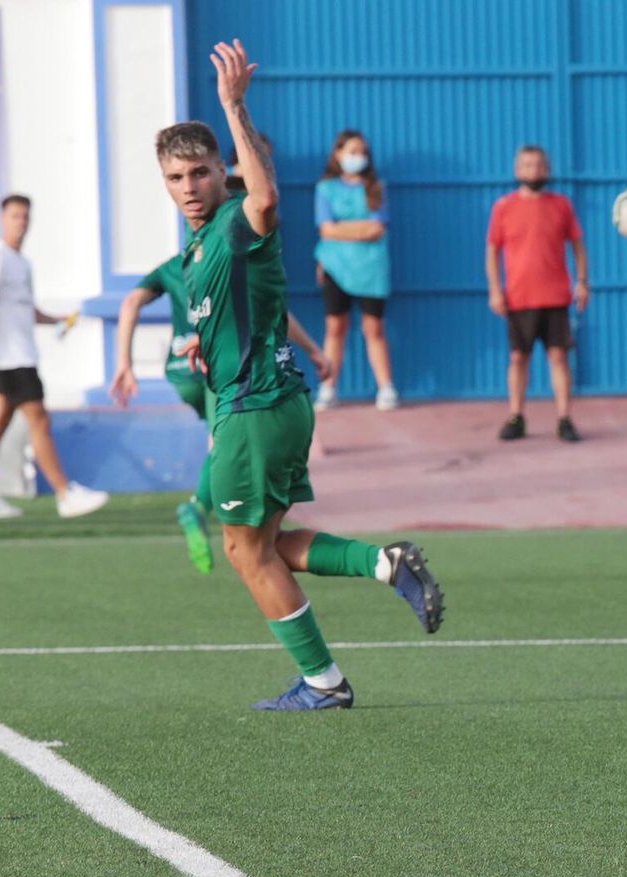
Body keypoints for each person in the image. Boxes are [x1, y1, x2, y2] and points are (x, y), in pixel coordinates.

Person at [155, 39, 444, 710]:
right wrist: (208, 345)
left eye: (199, 172)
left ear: (220, 171)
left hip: (254, 411)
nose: (189, 188)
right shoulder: (201, 246)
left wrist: (233, 105)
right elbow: (253, 312)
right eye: (175, 178)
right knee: (268, 543)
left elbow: (265, 194)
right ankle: (385, 564)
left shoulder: (236, 221)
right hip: (271, 401)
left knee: (245, 553)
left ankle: (324, 682)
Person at [110, 253, 331, 573]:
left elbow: (131, 301)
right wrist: (313, 349)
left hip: (180, 371)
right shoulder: (232, 262)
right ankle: (198, 507)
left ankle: (209, 504)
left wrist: (124, 364)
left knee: (222, 438)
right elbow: (275, 313)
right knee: (223, 442)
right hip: (214, 364)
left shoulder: (174, 266)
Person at [0, 195, 109, 519]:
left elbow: (28, 310)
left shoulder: (24, 263)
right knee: (39, 420)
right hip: (11, 359)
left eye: (25, 217)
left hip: (21, 356)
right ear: (3, 219)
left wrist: (58, 319)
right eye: (15, 216)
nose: (21, 222)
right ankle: (65, 493)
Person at [486, 145, 588, 442]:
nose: (534, 171)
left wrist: (581, 281)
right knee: (519, 357)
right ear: (518, 170)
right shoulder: (504, 207)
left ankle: (564, 419)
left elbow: (578, 245)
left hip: (555, 296)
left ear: (548, 169)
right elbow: (492, 250)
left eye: (540, 165)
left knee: (559, 357)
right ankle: (516, 417)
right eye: (528, 166)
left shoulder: (561, 205)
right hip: (519, 297)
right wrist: (495, 289)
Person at [313, 129, 397, 412]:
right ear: (338, 154)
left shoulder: (376, 188)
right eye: (351, 151)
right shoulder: (325, 189)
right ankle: (328, 387)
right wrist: (359, 229)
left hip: (372, 269)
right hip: (335, 268)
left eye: (362, 152)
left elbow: (377, 229)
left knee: (374, 328)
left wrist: (341, 229)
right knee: (335, 327)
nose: (357, 157)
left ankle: (386, 387)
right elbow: (325, 229)